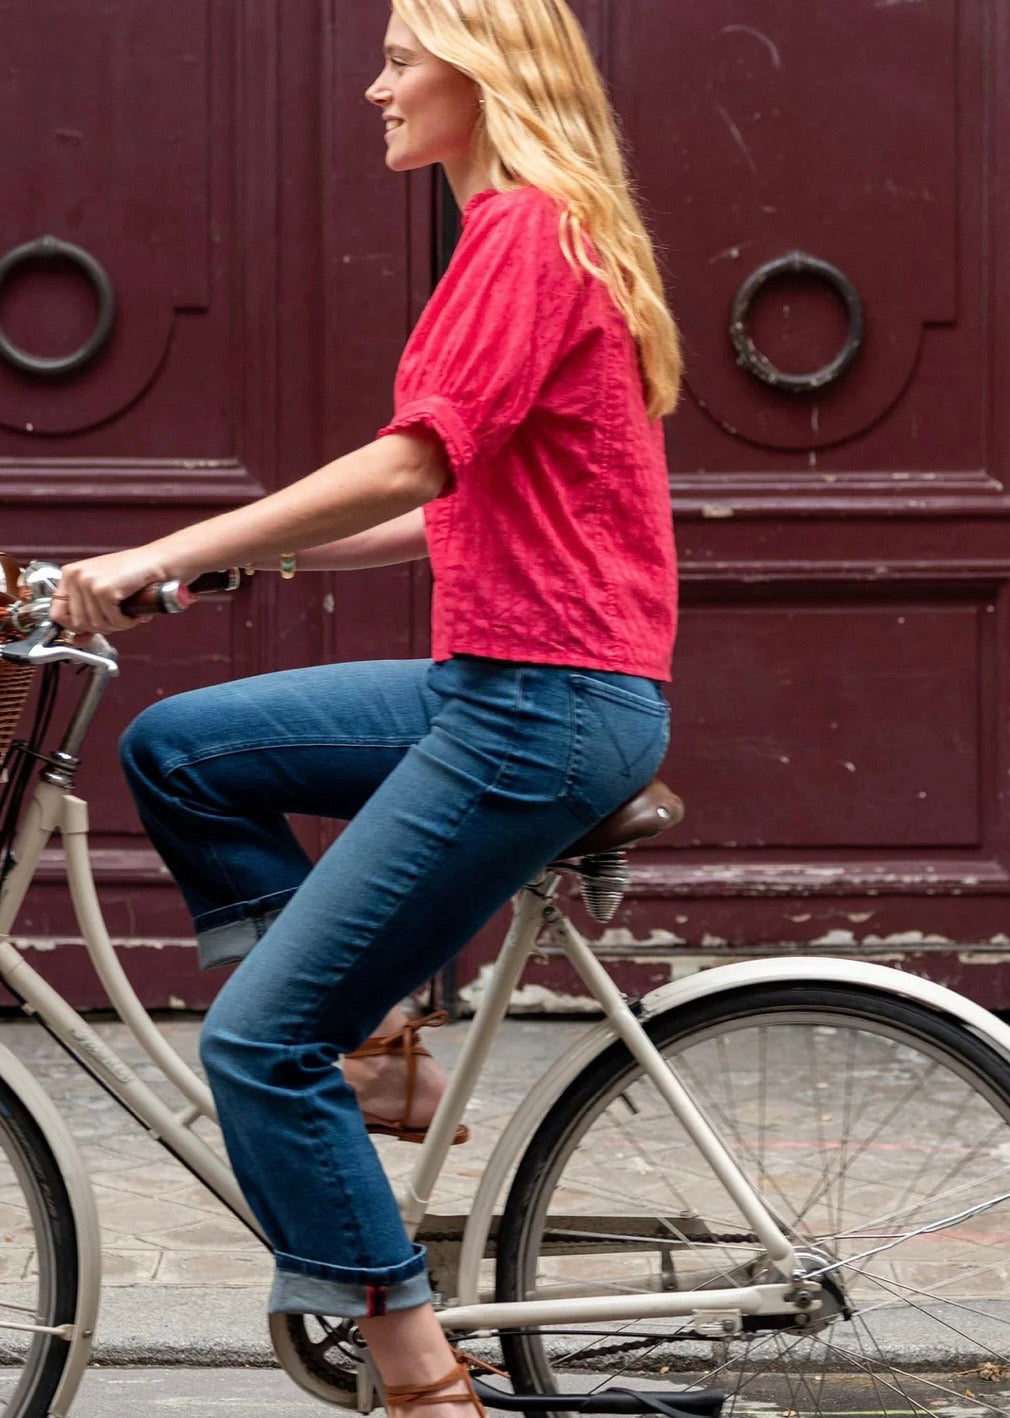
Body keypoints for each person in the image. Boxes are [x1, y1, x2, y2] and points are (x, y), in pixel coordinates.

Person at [52, 0, 682, 1412]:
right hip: (514, 684)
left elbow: (409, 464)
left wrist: (167, 549)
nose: (371, 87)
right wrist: (231, 563)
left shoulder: (524, 230)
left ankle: (418, 1376)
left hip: (540, 704)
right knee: (182, 750)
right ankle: (374, 1046)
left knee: (253, 1043)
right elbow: (449, 496)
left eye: (400, 58)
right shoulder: (532, 227)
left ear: (483, 69)